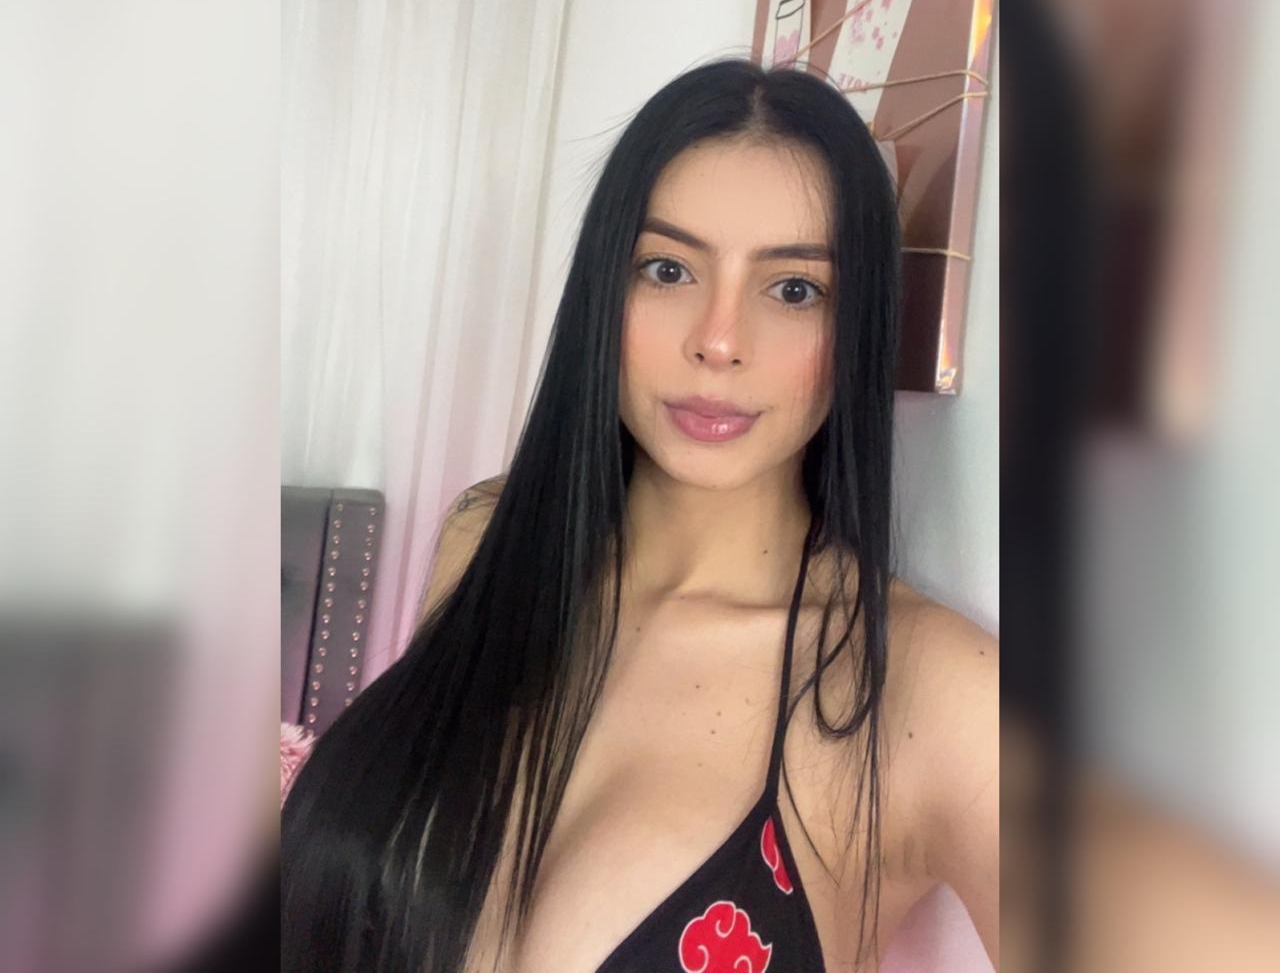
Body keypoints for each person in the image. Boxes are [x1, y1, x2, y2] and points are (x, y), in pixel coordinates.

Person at [282, 59, 998, 972]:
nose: (719, 340)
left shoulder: (924, 692)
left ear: (856, 324)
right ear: (604, 290)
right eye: (667, 269)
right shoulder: (488, 539)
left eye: (794, 288)